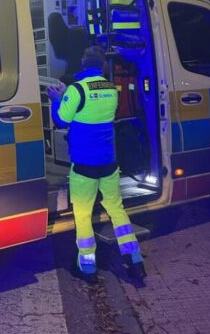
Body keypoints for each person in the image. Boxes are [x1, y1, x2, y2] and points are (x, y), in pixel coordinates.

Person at [47, 46, 147, 281]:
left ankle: (88, 267)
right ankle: (135, 260)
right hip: (108, 163)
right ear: (102, 66)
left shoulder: (77, 89)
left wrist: (57, 99)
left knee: (83, 214)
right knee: (117, 210)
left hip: (84, 166)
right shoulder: (111, 89)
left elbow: (61, 119)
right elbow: (92, 109)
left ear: (83, 64)